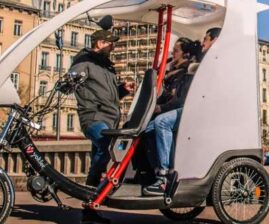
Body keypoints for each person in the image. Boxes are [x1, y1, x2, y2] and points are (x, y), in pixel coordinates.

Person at [72, 29, 135, 224]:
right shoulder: (85, 61)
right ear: (99, 43)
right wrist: (70, 80)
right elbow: (72, 78)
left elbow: (108, 96)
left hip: (108, 120)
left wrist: (122, 90)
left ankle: (90, 209)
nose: (113, 46)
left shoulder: (107, 67)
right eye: (110, 43)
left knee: (97, 161)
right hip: (92, 117)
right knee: (108, 147)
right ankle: (92, 194)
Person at [142, 37, 202, 196]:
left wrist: (160, 107)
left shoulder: (187, 70)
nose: (172, 54)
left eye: (176, 51)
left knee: (161, 122)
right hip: (174, 108)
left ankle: (165, 174)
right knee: (144, 129)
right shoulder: (172, 71)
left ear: (185, 54)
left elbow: (180, 99)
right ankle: (153, 171)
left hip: (186, 109)